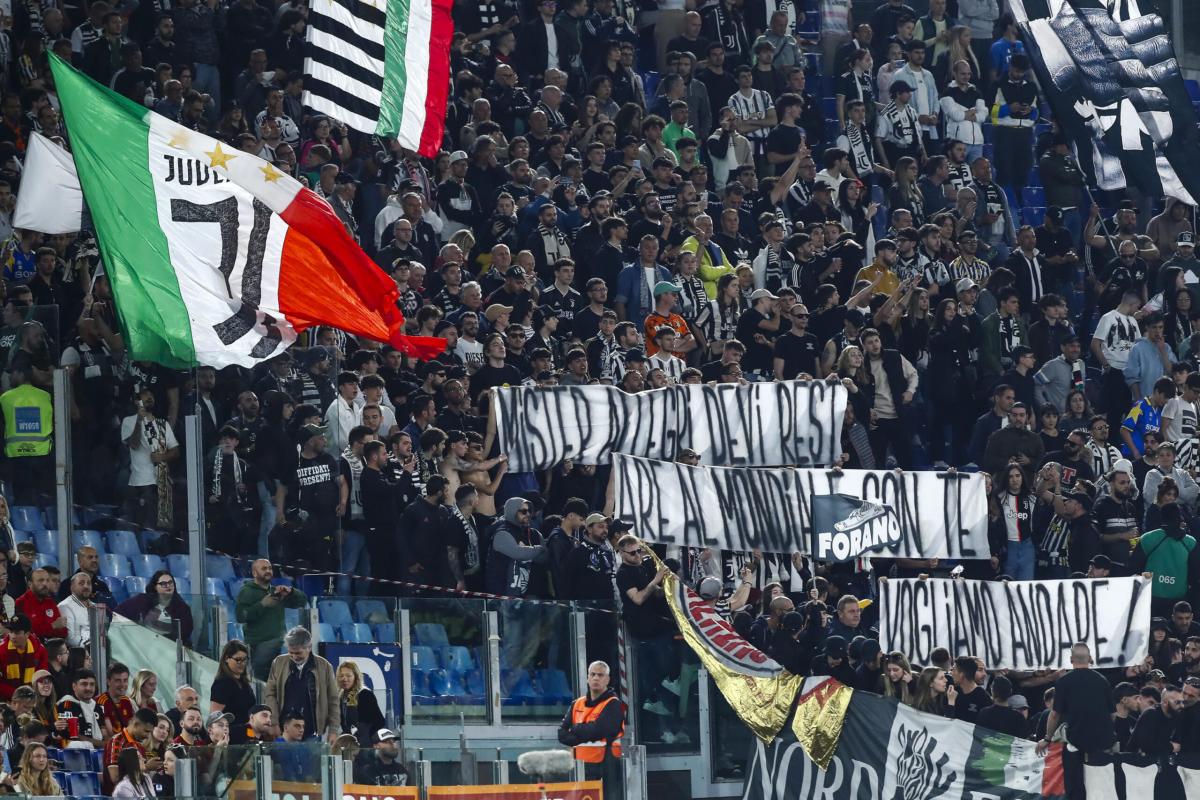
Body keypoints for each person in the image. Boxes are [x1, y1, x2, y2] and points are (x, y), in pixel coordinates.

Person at [1037, 643, 1117, 800]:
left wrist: (1047, 739)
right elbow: (1113, 714)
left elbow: (1055, 715)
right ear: (1090, 659)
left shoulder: (1063, 682)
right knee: (1100, 788)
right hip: (1101, 744)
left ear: (1071, 659)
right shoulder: (1103, 681)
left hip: (1075, 744)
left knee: (1075, 789)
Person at [235, 559, 308, 681]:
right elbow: (241, 616)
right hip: (259, 645)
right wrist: (262, 604)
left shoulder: (276, 592)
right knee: (261, 682)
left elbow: (302, 601)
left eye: (269, 568)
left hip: (279, 644)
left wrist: (291, 592)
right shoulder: (247, 591)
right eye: (264, 569)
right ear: (254, 573)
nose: (268, 571)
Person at [264, 626, 340, 743]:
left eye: (298, 653)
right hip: (284, 732)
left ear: (309, 647)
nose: (294, 657)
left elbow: (333, 700)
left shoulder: (324, 666)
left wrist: (333, 731)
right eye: (291, 652)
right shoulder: (278, 663)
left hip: (312, 732)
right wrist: (273, 722)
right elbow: (270, 694)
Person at [558, 660, 625, 791]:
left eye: (600, 675)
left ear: (607, 679)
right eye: (592, 674)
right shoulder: (577, 703)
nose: (596, 678)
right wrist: (583, 734)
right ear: (587, 678)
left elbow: (599, 730)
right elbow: (562, 734)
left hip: (606, 768)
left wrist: (576, 729)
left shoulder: (613, 704)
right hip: (579, 768)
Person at [114, 570, 194, 645]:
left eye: (170, 582)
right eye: (163, 583)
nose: (168, 586)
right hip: (143, 644)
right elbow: (119, 612)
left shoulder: (182, 607)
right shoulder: (142, 600)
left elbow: (185, 633)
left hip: (169, 646)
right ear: (155, 587)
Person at [337, 661, 385, 746]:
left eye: (348, 675)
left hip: (364, 745)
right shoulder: (341, 696)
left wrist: (366, 738)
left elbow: (379, 721)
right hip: (350, 743)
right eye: (341, 676)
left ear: (356, 677)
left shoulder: (365, 694)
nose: (344, 679)